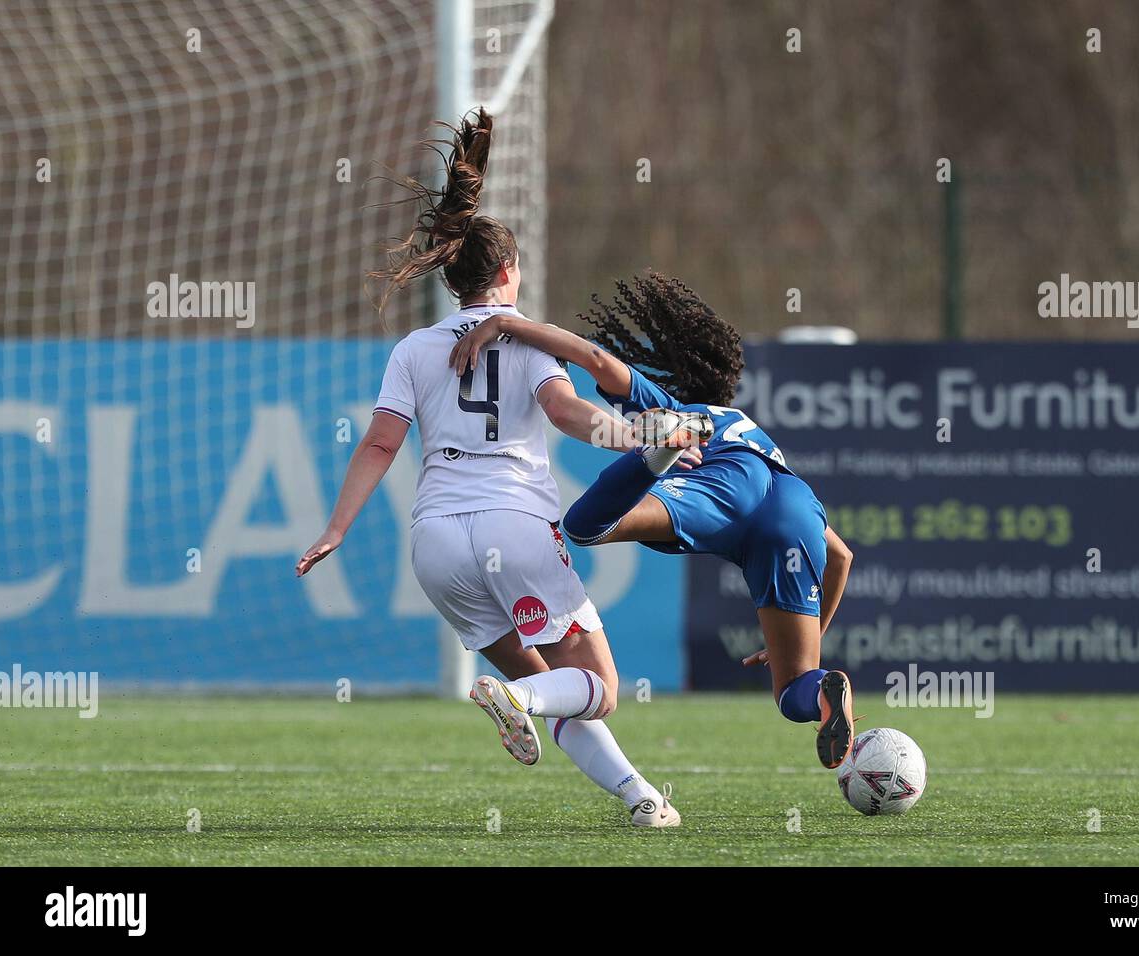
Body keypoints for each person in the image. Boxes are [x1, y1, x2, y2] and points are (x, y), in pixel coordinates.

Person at [296, 111, 684, 826]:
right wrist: (638, 437)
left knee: (544, 687)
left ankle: (640, 799)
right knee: (595, 686)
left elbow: (380, 444)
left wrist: (336, 527)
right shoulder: (527, 339)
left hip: (436, 542)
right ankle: (524, 706)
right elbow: (569, 415)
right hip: (515, 524)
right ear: (507, 272)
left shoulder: (414, 347)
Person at [449, 273, 858, 769]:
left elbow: (592, 358)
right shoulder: (748, 426)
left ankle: (654, 453)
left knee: (584, 527)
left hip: (721, 489)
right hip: (794, 503)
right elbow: (841, 555)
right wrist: (811, 630)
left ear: (674, 376)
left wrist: (502, 324)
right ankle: (824, 690)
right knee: (795, 690)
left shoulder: (677, 408)